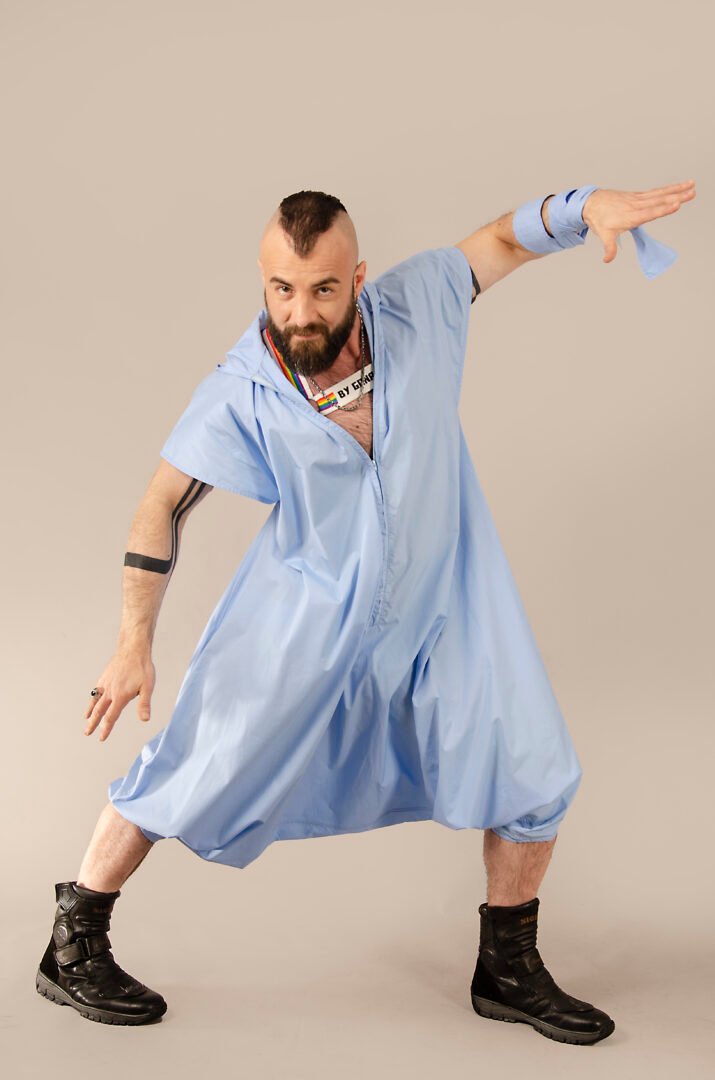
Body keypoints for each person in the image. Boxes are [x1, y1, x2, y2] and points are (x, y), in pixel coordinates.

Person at [36, 182, 695, 1039]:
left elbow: (499, 242)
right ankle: (73, 943)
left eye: (322, 288)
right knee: (192, 766)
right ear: (263, 281)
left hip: (446, 606)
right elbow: (161, 503)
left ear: (357, 277)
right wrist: (133, 642)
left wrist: (579, 211)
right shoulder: (243, 389)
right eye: (280, 288)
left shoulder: (415, 307)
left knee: (533, 770)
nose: (299, 312)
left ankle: (506, 969)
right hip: (301, 622)